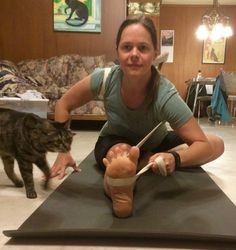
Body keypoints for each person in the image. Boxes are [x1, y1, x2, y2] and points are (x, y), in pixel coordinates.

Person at [50, 15, 224, 218]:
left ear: (154, 54)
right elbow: (64, 104)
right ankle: (125, 179)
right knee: (122, 154)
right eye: (127, 47)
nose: (134, 54)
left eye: (143, 48)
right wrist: (63, 151)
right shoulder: (104, 78)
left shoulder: (165, 95)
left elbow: (202, 144)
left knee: (216, 143)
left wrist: (175, 158)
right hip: (114, 141)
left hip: (156, 142)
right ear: (117, 51)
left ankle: (143, 163)